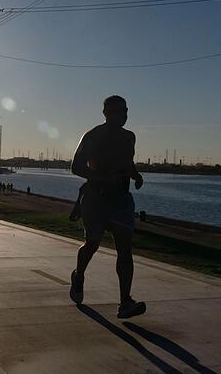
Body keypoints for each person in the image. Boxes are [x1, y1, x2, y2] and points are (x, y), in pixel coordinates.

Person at [69, 95, 146, 319]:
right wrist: (102, 177)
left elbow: (127, 161)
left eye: (124, 111)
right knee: (92, 243)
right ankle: (79, 275)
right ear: (105, 114)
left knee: (125, 249)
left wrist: (136, 175)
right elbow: (75, 166)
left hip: (121, 200)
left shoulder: (129, 137)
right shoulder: (93, 136)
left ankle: (125, 302)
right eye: (115, 111)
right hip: (96, 198)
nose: (121, 115)